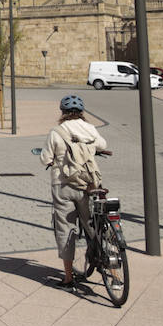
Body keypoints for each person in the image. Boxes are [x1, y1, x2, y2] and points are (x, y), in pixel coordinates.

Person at [39, 94, 110, 288]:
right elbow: (103, 145)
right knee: (92, 224)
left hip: (63, 185)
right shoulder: (90, 128)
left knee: (65, 228)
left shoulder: (56, 132)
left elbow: (45, 158)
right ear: (81, 112)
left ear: (62, 112)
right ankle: (106, 261)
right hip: (88, 185)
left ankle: (69, 277)